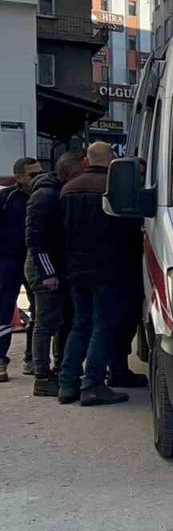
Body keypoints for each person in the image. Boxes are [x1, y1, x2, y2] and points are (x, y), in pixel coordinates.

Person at [56, 142, 140, 406]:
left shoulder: (68, 189)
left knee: (81, 324)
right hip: (109, 269)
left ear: (87, 160)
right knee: (104, 326)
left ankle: (67, 383)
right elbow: (129, 232)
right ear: (113, 159)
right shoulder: (115, 189)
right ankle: (93, 384)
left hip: (76, 269)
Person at [25, 152, 84, 396]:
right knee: (46, 323)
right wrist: (48, 273)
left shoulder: (54, 192)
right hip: (44, 268)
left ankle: (59, 369)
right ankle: (42, 375)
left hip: (54, 266)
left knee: (61, 321)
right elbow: (35, 240)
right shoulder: (45, 196)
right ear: (72, 173)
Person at [0, 157, 42, 382]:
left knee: (39, 310)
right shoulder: (7, 198)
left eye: (40, 173)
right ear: (18, 177)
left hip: (35, 260)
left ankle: (32, 358)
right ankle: (0, 360)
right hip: (8, 260)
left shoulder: (43, 195)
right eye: (33, 174)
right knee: (4, 310)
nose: (38, 178)